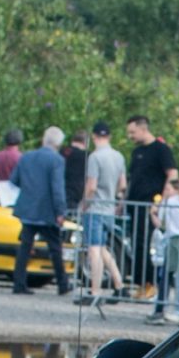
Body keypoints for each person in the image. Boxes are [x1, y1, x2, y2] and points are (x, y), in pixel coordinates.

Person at [10, 127, 70, 295]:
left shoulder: (26, 157)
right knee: (55, 248)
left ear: (44, 139)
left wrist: (29, 189)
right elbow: (57, 188)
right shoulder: (57, 160)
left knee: (25, 247)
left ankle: (19, 283)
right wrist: (60, 211)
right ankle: (62, 284)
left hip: (28, 209)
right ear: (58, 144)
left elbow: (14, 180)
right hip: (46, 211)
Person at [124, 115, 174, 294]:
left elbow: (172, 174)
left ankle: (151, 283)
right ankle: (141, 284)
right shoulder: (136, 152)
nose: (130, 136)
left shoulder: (161, 149)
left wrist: (159, 202)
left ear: (143, 128)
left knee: (144, 244)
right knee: (136, 245)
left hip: (150, 205)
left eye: (132, 132)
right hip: (134, 205)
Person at [80, 123, 125, 305]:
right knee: (102, 248)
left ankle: (95, 290)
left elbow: (91, 186)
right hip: (109, 208)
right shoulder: (118, 156)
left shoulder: (95, 157)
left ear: (94, 137)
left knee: (94, 249)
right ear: (109, 137)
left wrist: (84, 204)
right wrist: (118, 203)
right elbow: (122, 185)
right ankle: (119, 283)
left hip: (95, 208)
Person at [152, 169, 179, 320]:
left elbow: (161, 222)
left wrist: (154, 212)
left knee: (170, 275)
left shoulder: (171, 202)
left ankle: (163, 309)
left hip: (174, 238)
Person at [62, 129, 88, 219]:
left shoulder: (61, 152)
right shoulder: (86, 156)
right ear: (85, 142)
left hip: (59, 194)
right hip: (76, 198)